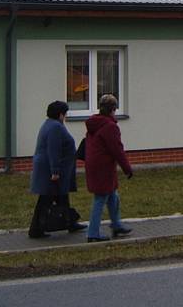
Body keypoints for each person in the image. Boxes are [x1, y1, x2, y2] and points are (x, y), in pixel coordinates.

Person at [28, 100, 87, 238]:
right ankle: (36, 229)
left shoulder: (49, 124)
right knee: (46, 199)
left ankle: (70, 222)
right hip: (51, 170)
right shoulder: (56, 127)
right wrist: (55, 171)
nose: (65, 116)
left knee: (62, 197)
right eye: (65, 114)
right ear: (60, 114)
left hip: (50, 168)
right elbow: (53, 150)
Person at [85, 94, 134, 242]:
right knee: (100, 198)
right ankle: (93, 233)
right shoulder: (110, 127)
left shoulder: (94, 123)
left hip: (94, 165)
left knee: (113, 195)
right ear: (113, 109)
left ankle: (116, 224)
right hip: (104, 167)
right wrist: (127, 168)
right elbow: (117, 150)